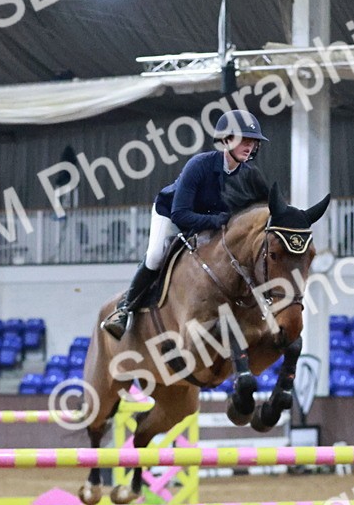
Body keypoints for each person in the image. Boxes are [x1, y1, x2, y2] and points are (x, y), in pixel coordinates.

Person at [101, 109, 268, 339]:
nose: (249, 146)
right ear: (227, 140)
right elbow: (181, 214)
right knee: (156, 256)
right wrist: (215, 220)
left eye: (253, 141)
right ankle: (124, 310)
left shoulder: (248, 175)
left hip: (212, 224)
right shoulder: (199, 165)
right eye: (243, 140)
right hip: (172, 214)